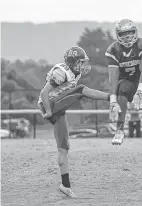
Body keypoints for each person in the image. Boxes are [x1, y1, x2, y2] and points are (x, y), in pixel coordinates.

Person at [37, 46, 120, 198]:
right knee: (81, 89)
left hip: (58, 108)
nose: (83, 65)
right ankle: (110, 97)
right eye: (80, 62)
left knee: (64, 148)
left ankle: (65, 185)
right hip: (49, 104)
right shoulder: (61, 72)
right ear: (72, 62)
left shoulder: (75, 73)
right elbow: (43, 93)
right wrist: (48, 111)